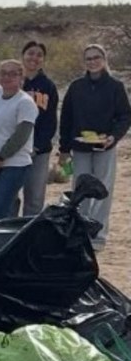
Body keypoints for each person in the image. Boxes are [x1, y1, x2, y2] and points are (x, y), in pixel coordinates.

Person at [58, 44, 131, 250]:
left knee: (102, 190)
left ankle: (98, 236)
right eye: (88, 58)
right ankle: (80, 232)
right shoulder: (76, 86)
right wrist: (64, 148)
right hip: (80, 147)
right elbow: (67, 118)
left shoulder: (115, 86)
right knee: (80, 190)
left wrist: (113, 137)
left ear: (104, 59)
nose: (92, 61)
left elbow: (125, 115)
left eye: (96, 57)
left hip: (105, 147)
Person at [0, 60, 39, 221]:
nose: (7, 77)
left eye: (13, 74)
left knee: (0, 211)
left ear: (21, 77)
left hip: (15, 163)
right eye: (4, 73)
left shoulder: (25, 103)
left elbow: (22, 134)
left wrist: (0, 157)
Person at [20, 40, 59, 216]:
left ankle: (30, 237)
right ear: (23, 55)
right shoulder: (13, 81)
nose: (34, 58)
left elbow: (50, 121)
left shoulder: (48, 86)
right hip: (12, 149)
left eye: (39, 55)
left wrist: (36, 146)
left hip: (39, 150)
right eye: (30, 53)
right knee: (10, 196)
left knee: (34, 198)